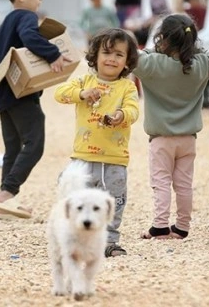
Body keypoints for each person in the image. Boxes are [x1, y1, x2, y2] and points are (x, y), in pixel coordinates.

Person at [0, 0, 71, 219]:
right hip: (19, 94)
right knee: (35, 143)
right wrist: (53, 53)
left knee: (12, 148)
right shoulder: (25, 16)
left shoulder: (6, 22)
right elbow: (29, 37)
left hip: (1, 93)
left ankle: (6, 202)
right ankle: (8, 192)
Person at [132, 14, 209, 239]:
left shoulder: (152, 63)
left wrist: (156, 50)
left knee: (161, 182)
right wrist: (191, 51)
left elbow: (134, 58)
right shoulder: (200, 64)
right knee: (184, 185)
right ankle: (182, 227)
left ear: (162, 38)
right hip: (188, 139)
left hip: (161, 138)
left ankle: (160, 225)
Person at [53, 28, 140, 256]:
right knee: (77, 199)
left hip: (114, 159)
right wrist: (82, 94)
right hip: (83, 157)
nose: (112, 59)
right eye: (107, 53)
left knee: (113, 202)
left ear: (127, 61)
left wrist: (121, 115)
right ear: (95, 56)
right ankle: (75, 239)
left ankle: (109, 241)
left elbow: (133, 110)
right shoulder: (84, 81)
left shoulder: (127, 86)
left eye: (119, 55)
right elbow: (60, 93)